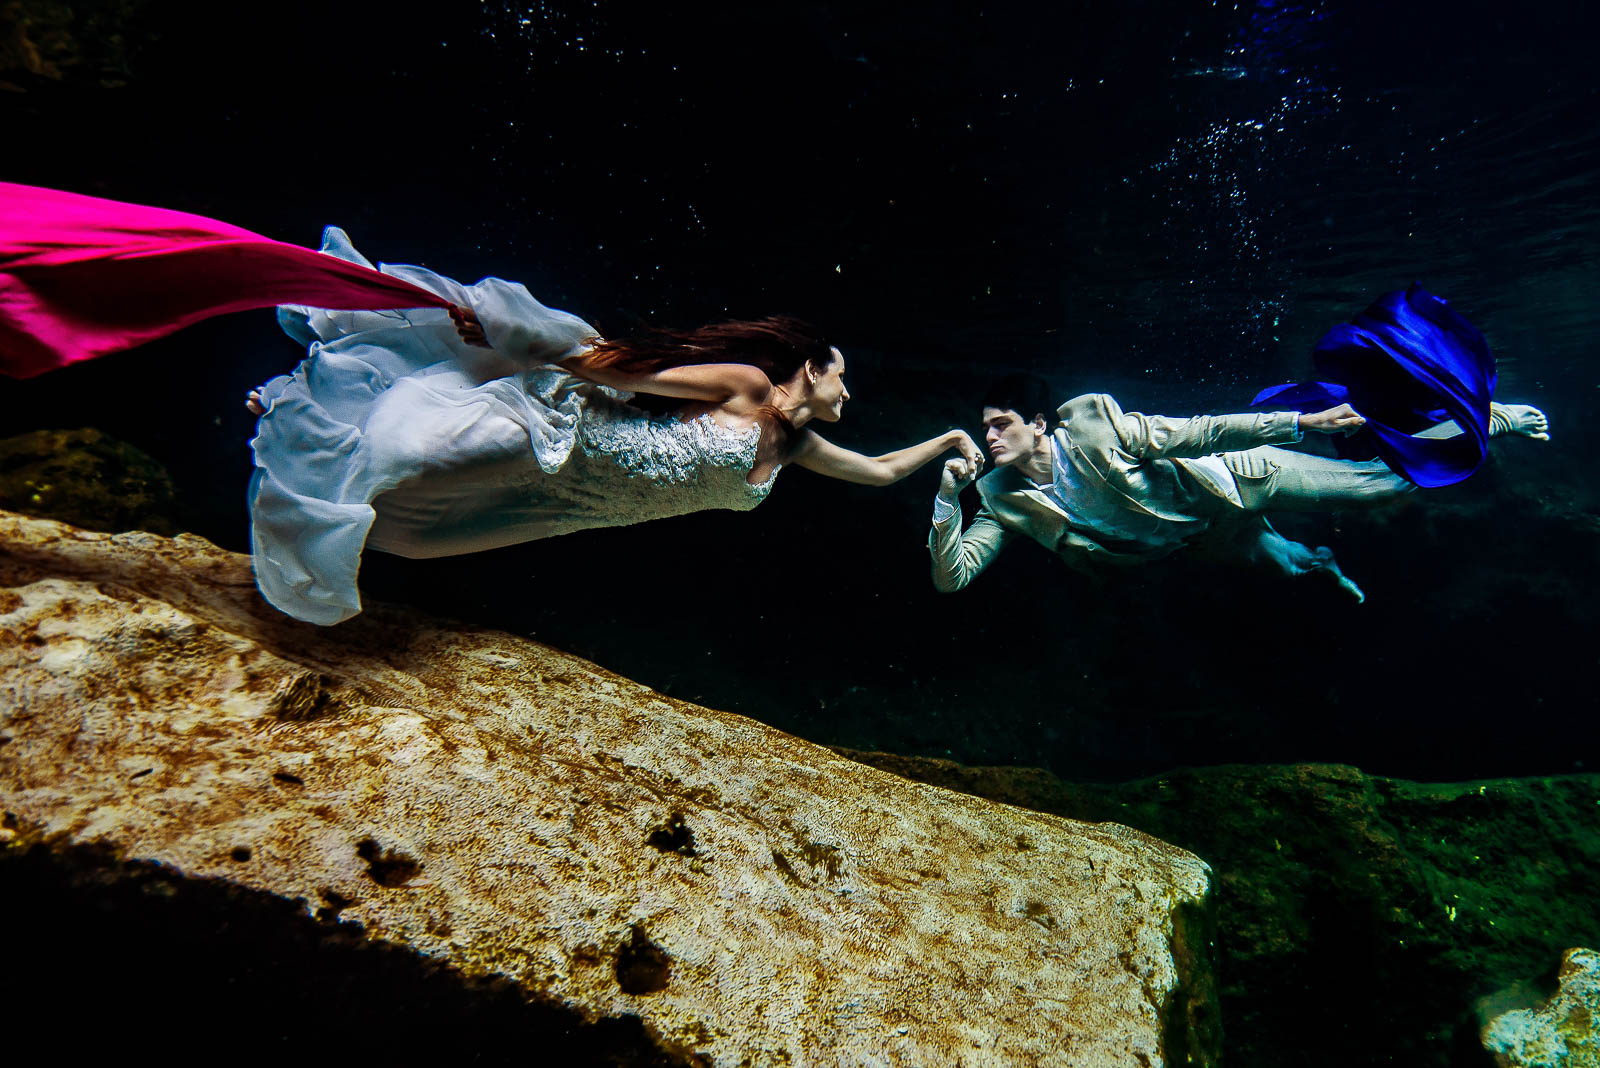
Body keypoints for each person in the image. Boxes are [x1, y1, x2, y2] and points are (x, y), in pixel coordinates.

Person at [246, 227, 984, 624]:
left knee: (412, 537)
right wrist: (520, 339)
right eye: (843, 376)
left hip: (578, 508)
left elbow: (880, 472)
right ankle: (296, 406)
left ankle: (309, 432)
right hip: (576, 441)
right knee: (401, 449)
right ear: (813, 370)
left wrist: (950, 440)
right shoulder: (749, 386)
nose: (850, 394)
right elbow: (626, 371)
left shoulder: (798, 448)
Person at [928, 373, 1548, 601]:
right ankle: (1326, 566)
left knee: (1377, 487)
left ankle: (1488, 419)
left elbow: (1201, 431)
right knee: (1296, 571)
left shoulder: (1091, 424)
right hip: (1206, 536)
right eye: (984, 429)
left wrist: (1301, 423)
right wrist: (948, 502)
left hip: (1245, 481)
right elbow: (952, 577)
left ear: (1038, 423)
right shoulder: (1001, 496)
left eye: (1000, 423)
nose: (989, 438)